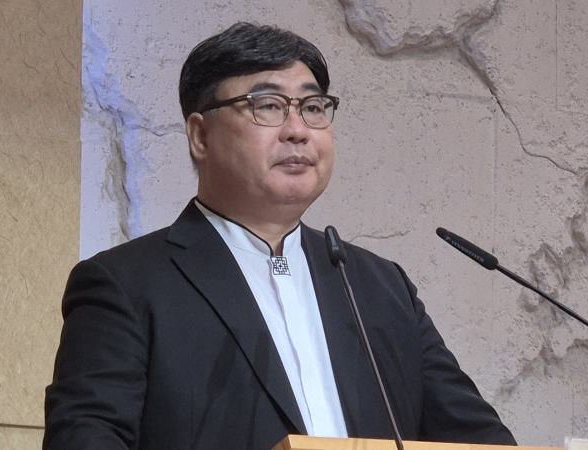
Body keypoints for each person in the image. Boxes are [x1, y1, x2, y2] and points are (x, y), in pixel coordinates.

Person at [44, 22, 516, 450]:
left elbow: (486, 444)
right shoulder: (125, 285)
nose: (298, 131)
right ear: (200, 136)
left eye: (313, 107)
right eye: (268, 106)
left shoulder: (380, 288)